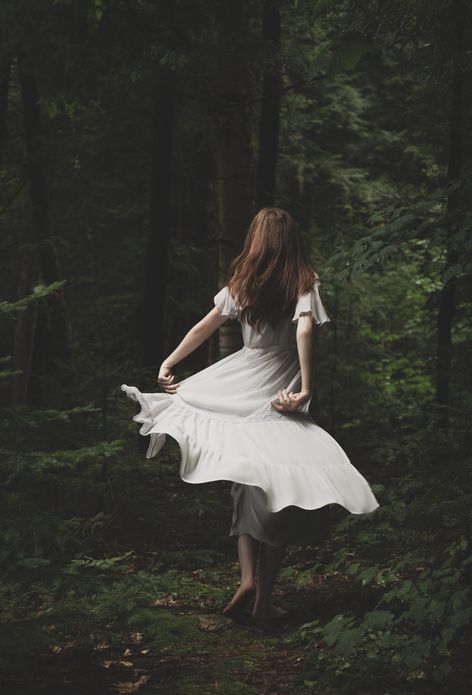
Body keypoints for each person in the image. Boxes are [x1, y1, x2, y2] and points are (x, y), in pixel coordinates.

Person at [121, 207, 380, 627]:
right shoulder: (303, 282)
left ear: (256, 241)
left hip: (241, 384)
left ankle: (246, 580)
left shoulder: (243, 284)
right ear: (292, 241)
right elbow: (304, 331)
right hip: (276, 396)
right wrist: (306, 389)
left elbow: (204, 327)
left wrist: (169, 362)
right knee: (276, 491)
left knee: (246, 480)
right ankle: (263, 600)